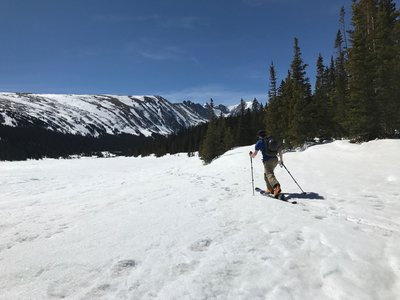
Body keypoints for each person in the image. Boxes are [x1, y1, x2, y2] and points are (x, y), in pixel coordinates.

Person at [249, 130, 283, 198]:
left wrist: (251, 155)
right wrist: (281, 160)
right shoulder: (271, 140)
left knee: (269, 174)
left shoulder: (259, 142)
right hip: (275, 160)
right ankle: (270, 189)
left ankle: (276, 187)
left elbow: (254, 155)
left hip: (267, 161)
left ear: (259, 136)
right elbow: (279, 150)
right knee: (266, 175)